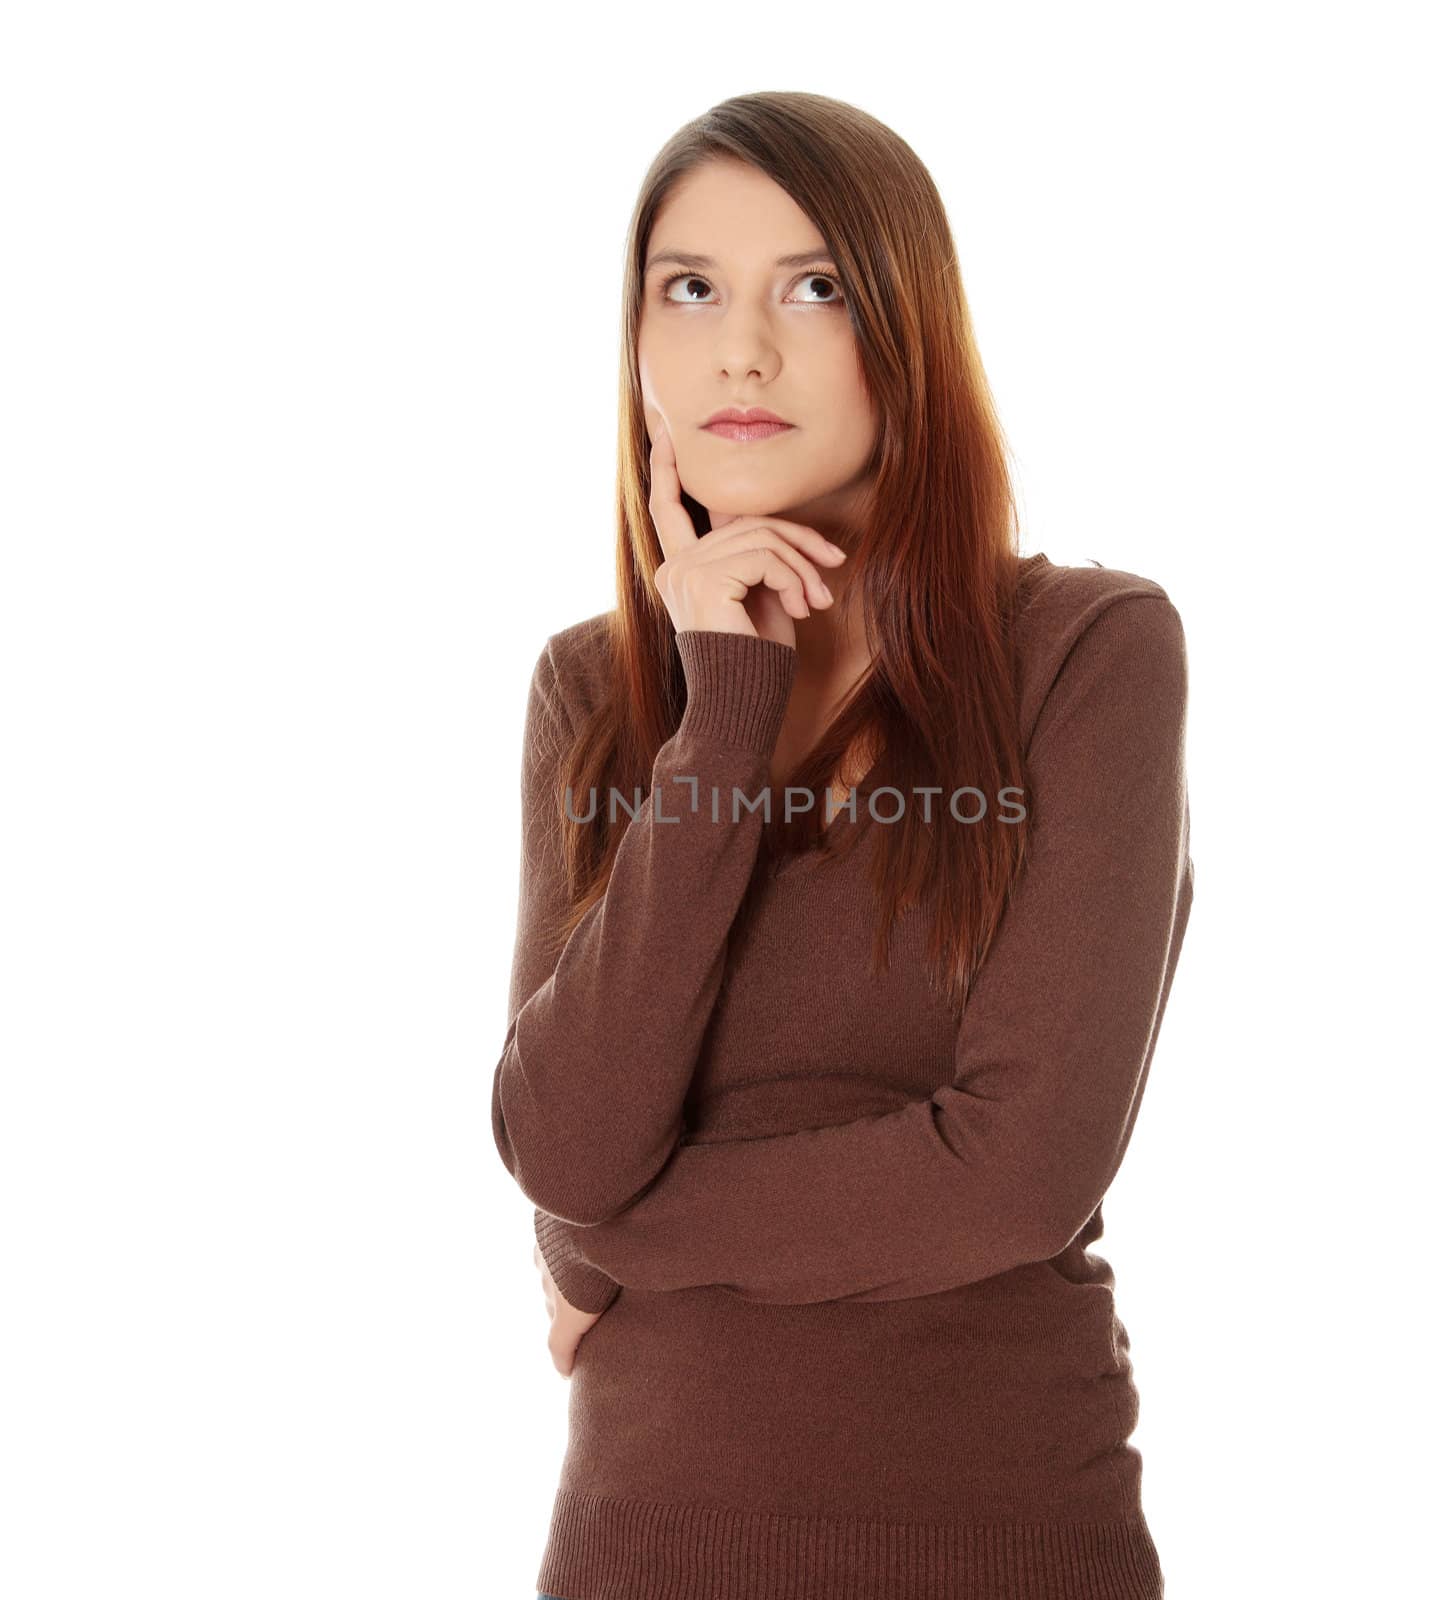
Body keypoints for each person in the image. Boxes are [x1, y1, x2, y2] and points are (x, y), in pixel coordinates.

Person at [492, 91, 1195, 1600]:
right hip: (640, 1548)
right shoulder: (594, 690)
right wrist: (722, 712)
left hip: (999, 1544)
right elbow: (559, 1142)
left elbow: (1014, 1177)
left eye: (813, 287)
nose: (741, 348)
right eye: (689, 289)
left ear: (909, 331)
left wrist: (620, 1224)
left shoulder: (1086, 653)